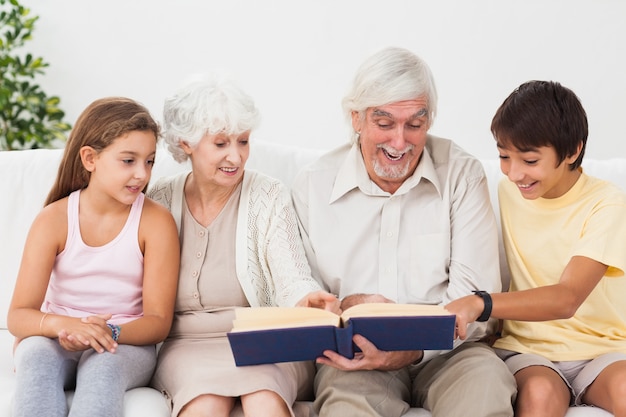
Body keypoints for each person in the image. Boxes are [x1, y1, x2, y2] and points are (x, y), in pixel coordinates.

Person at [291, 46, 516, 417]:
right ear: (356, 119)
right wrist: (346, 307)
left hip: (453, 352)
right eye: (384, 123)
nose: (400, 142)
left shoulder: (461, 173)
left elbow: (476, 296)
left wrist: (412, 347)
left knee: (487, 391)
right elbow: (306, 297)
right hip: (356, 355)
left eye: (415, 124)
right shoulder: (313, 186)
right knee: (345, 407)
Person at [147, 73, 340, 417]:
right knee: (204, 406)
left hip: (264, 340)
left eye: (244, 141)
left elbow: (291, 274)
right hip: (188, 345)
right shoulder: (158, 199)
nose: (236, 157)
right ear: (186, 143)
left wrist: (305, 299)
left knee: (263, 402)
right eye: (221, 144)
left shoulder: (268, 195)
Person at [446, 80, 626, 417]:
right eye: (503, 157)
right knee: (540, 395)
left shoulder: (608, 204)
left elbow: (567, 298)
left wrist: (480, 303)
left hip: (603, 352)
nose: (515, 173)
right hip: (529, 351)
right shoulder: (505, 191)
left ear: (572, 151)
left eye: (529, 160)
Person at [7, 97, 181, 417]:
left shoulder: (156, 222)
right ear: (90, 158)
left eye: (150, 161)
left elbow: (158, 322)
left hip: (124, 343)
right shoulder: (53, 219)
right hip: (56, 337)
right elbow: (18, 315)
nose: (142, 174)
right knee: (36, 359)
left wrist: (107, 332)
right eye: (128, 160)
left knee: (103, 368)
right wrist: (68, 327)